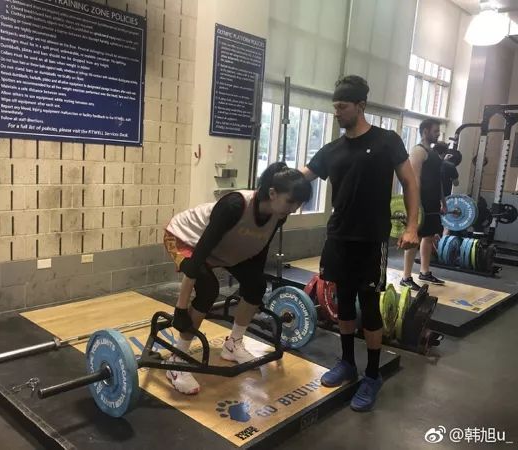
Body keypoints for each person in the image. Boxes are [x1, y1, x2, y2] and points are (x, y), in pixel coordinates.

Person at [302, 75, 420, 412]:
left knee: (368, 305)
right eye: (335, 106)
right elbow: (302, 176)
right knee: (343, 301)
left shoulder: (387, 141)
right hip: (339, 236)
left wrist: (412, 226)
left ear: (361, 105)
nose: (336, 112)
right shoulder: (332, 150)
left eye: (342, 106)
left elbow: (409, 183)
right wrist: (265, 189)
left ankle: (372, 374)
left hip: (371, 238)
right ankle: (347, 363)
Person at [163, 162, 312, 395]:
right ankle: (176, 359)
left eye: (299, 204)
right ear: (272, 193)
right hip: (185, 238)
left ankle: (233, 345)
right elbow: (196, 261)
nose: (294, 209)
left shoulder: (278, 215)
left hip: (223, 246)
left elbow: (258, 249)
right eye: (291, 202)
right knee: (208, 289)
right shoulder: (234, 205)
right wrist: (181, 308)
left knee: (256, 285)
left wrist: (253, 290)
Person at [401, 120, 447, 291]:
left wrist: (443, 201)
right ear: (425, 131)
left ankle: (424, 272)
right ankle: (406, 277)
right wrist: (416, 205)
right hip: (421, 203)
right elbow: (415, 179)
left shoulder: (433, 153)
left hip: (433, 202)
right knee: (414, 239)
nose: (438, 134)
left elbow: (438, 180)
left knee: (429, 236)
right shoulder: (418, 151)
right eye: (436, 131)